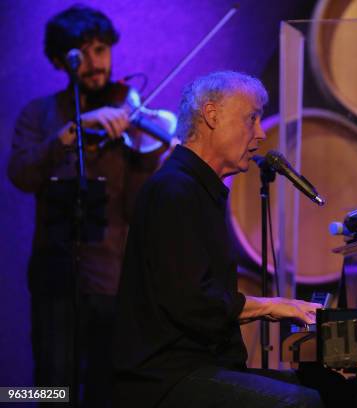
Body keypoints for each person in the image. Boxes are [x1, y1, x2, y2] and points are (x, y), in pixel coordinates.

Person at [113, 71, 330, 408]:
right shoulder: (174, 190)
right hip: (166, 377)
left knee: (330, 391)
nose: (260, 133)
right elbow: (192, 303)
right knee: (300, 403)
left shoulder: (198, 190)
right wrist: (271, 305)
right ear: (212, 115)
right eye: (252, 118)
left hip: (203, 366)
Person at [7, 5, 166, 407]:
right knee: (50, 382)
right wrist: (75, 129)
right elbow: (22, 175)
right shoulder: (39, 114)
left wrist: (148, 153)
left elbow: (136, 208)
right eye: (82, 54)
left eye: (101, 49)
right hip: (54, 273)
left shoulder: (128, 110)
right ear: (60, 61)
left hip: (112, 276)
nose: (96, 63)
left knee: (106, 386)